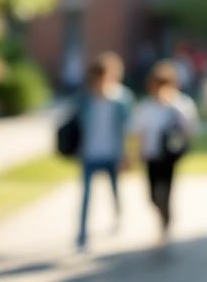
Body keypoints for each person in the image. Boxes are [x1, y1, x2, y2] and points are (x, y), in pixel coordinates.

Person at [130, 61, 199, 251]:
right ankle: (162, 215)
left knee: (167, 189)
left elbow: (189, 129)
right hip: (151, 154)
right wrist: (136, 154)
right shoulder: (146, 106)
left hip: (169, 156)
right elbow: (140, 132)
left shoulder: (180, 105)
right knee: (152, 194)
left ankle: (165, 223)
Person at [71, 53, 132, 251]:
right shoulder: (85, 99)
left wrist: (126, 154)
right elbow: (77, 126)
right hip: (90, 153)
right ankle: (82, 233)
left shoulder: (121, 99)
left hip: (112, 153)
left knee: (114, 189)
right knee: (86, 194)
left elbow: (128, 128)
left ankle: (117, 216)